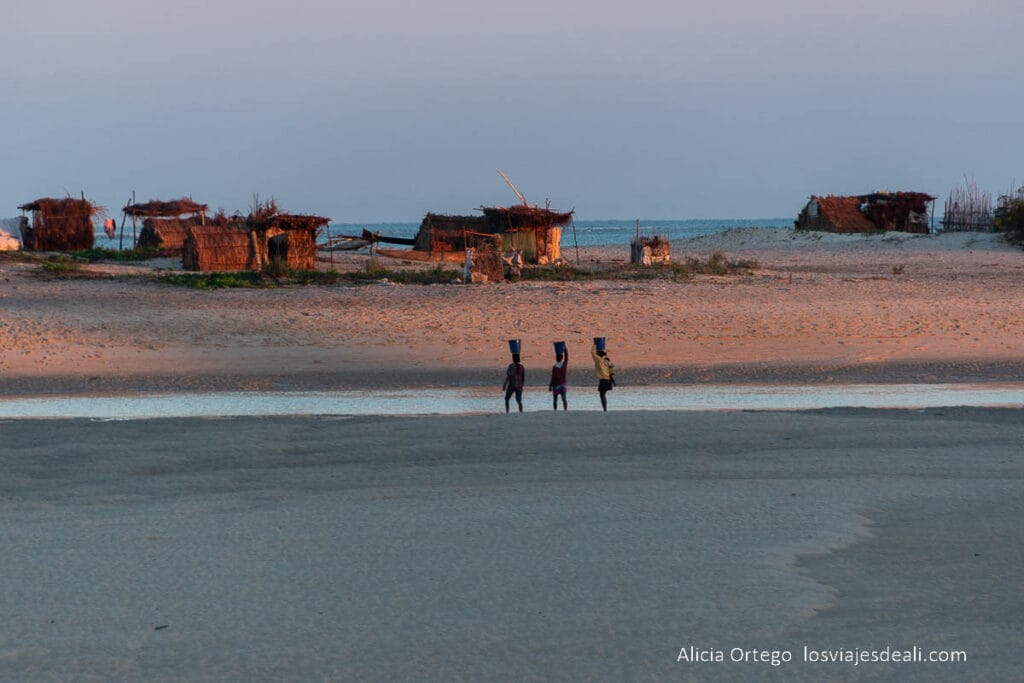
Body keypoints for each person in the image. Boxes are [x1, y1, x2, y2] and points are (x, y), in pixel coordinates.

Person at [591, 343, 615, 411]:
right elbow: (611, 371)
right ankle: (605, 409)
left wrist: (595, 344)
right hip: (608, 380)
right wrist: (613, 380)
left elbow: (592, 352)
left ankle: (605, 409)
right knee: (603, 394)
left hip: (603, 380)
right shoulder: (607, 360)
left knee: (602, 395)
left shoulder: (598, 360)